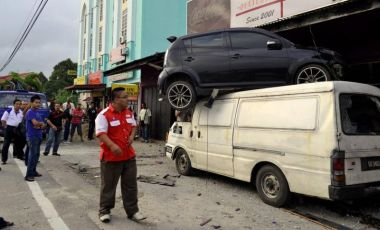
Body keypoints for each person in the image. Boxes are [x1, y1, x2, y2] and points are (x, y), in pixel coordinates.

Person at [95, 87, 145, 223]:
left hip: (129, 156)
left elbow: (134, 126)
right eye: (125, 97)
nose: (127, 99)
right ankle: (104, 210)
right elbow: (100, 133)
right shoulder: (103, 115)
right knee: (108, 186)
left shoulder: (128, 112)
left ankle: (133, 211)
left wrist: (132, 136)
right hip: (111, 158)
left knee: (130, 185)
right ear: (116, 99)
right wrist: (112, 145)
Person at [25, 95, 46, 182]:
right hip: (32, 136)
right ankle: (28, 175)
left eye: (39, 102)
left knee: (36, 155)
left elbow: (43, 125)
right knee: (32, 155)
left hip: (38, 136)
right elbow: (35, 123)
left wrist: (40, 124)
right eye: (36, 102)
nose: (38, 104)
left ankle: (33, 171)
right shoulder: (30, 112)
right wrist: (40, 124)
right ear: (32, 103)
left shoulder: (37, 112)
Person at [1, 99, 23, 164]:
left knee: (20, 142)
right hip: (9, 128)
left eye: (19, 104)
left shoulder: (20, 112)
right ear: (14, 104)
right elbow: (3, 120)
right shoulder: (9, 111)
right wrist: (5, 126)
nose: (18, 105)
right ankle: (4, 159)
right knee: (6, 144)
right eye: (17, 104)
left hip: (17, 128)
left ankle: (19, 155)